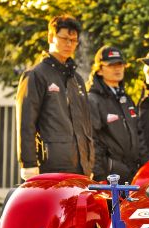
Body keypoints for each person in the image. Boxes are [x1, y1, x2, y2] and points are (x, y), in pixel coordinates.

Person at [16, 15, 94, 181]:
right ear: (51, 37)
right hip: (50, 166)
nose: (69, 44)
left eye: (73, 40)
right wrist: (28, 163)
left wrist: (89, 162)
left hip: (80, 167)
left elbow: (86, 125)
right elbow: (26, 122)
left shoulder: (77, 79)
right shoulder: (36, 75)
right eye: (64, 38)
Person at [87, 46, 148, 183]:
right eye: (111, 65)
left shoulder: (126, 98)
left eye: (120, 64)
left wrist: (145, 168)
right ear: (100, 70)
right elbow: (92, 141)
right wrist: (100, 177)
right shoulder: (93, 99)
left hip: (134, 175)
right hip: (110, 178)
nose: (117, 69)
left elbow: (139, 135)